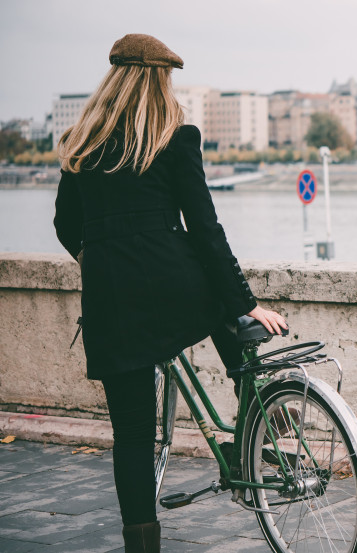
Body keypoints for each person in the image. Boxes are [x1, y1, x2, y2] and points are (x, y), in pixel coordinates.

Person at [53, 34, 286, 553]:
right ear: (160, 80)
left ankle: (142, 543)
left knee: (133, 436)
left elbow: (67, 226)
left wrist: (103, 263)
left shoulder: (80, 143)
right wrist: (246, 303)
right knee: (222, 304)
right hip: (176, 285)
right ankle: (256, 416)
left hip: (113, 301)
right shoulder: (176, 137)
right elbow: (206, 231)